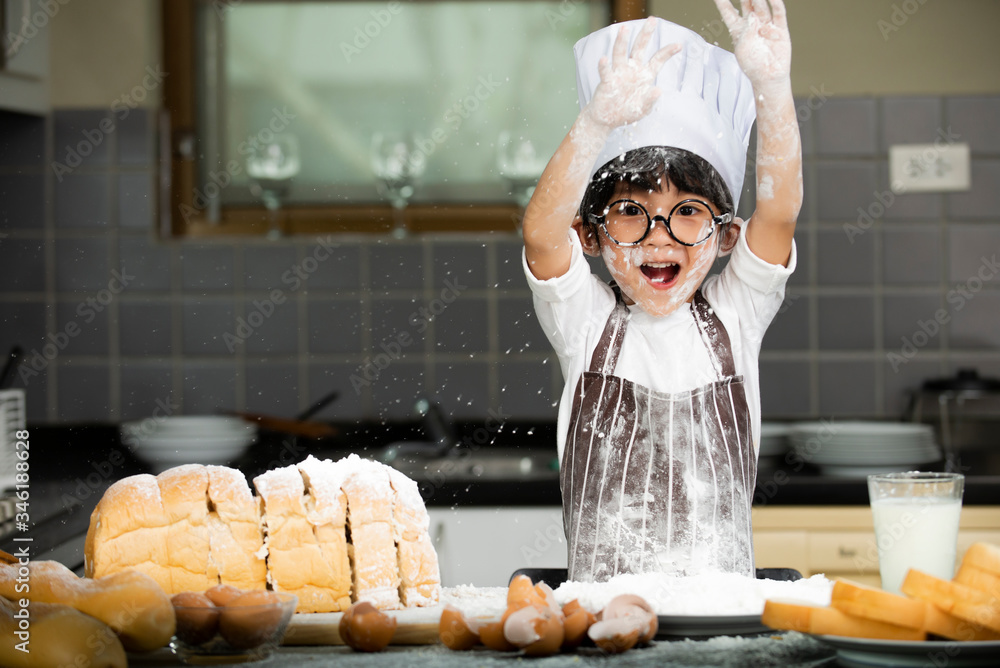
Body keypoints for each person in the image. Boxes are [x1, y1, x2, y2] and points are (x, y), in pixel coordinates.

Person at [521, 0, 801, 582]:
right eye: (629, 211)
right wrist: (596, 122)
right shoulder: (586, 323)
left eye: (687, 212)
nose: (658, 238)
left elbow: (778, 210)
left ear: (727, 236)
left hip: (722, 619)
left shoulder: (737, 314)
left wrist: (772, 87)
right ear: (590, 236)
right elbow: (539, 232)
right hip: (601, 617)